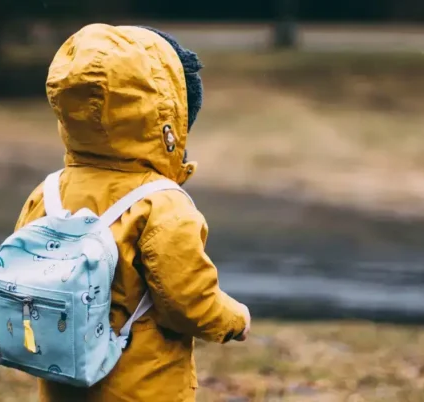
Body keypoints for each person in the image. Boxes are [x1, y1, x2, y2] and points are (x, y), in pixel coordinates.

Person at [14, 23, 251, 402]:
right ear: (167, 120)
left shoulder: (50, 192)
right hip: (141, 389)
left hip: (63, 383)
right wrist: (234, 319)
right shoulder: (161, 204)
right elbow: (188, 302)